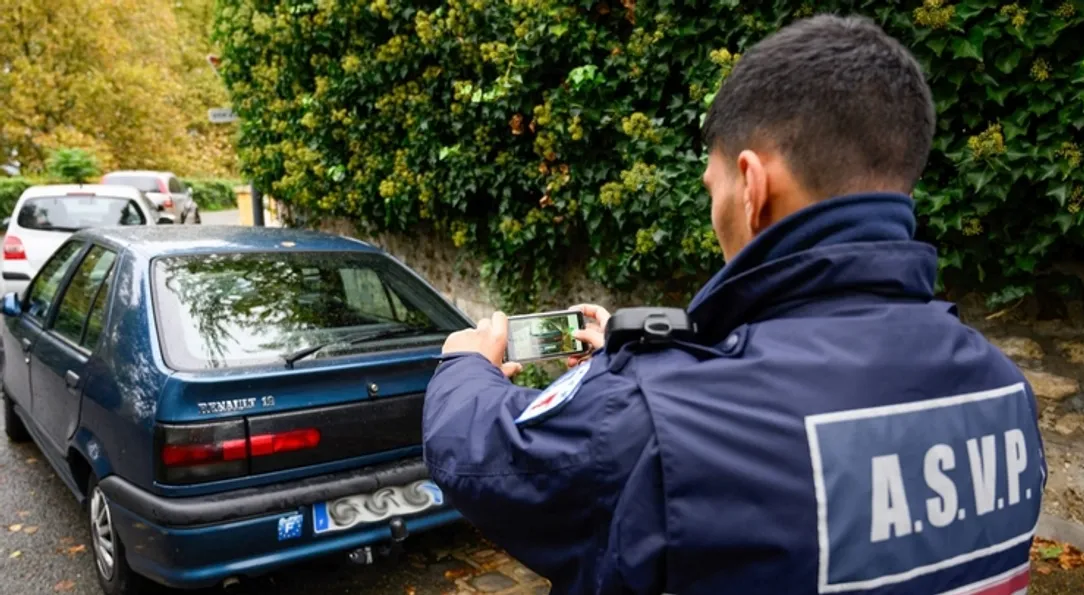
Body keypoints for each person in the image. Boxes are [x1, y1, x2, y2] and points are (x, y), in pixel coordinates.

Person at [422, 14, 1046, 595]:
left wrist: (464, 365)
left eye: (712, 186)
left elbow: (487, 454)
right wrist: (658, 358)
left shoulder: (660, 420)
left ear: (751, 185)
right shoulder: (1002, 390)